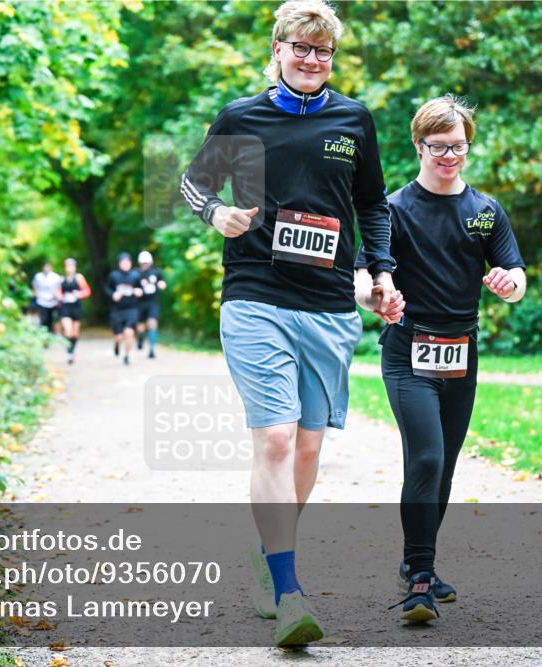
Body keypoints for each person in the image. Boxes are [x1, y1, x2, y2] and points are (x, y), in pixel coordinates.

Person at [180, 0, 402, 647]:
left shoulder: (353, 119)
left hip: (330, 305)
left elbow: (371, 206)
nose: (311, 59)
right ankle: (288, 593)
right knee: (275, 440)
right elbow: (194, 184)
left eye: (322, 51)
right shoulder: (241, 117)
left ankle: (268, 552)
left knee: (307, 447)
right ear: (277, 49)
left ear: (332, 58)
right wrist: (216, 215)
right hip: (255, 294)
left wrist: (381, 273)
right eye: (299, 48)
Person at [354, 95, 526, 622]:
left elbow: (517, 277)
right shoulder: (394, 210)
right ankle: (420, 580)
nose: (449, 156)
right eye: (438, 147)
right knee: (426, 457)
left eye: (459, 147)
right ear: (418, 145)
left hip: (461, 355)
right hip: (408, 352)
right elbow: (362, 274)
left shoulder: (485, 212)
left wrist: (507, 284)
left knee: (443, 468)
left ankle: (416, 563)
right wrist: (375, 297)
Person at [105, 252, 143, 366]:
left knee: (129, 332)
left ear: (131, 263)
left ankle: (127, 355)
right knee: (119, 336)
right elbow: (106, 289)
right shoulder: (114, 276)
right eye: (123, 263)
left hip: (131, 309)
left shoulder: (135, 275)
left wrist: (139, 291)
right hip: (117, 310)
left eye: (127, 263)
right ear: (119, 264)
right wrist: (113, 295)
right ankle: (117, 344)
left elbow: (141, 289)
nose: (125, 265)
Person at [57, 258, 91, 364]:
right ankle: (69, 352)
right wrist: (61, 297)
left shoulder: (79, 278)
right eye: (67, 266)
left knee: (75, 333)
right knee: (68, 330)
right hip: (66, 307)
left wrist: (79, 294)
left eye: (71, 266)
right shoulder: (62, 279)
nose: (69, 268)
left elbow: (87, 291)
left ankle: (72, 350)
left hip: (76, 306)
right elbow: (58, 292)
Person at [135, 250, 167, 359]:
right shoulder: (136, 273)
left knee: (153, 323)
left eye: (146, 263)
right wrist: (136, 290)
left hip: (153, 302)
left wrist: (162, 284)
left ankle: (152, 349)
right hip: (140, 303)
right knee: (141, 327)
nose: (144, 265)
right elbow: (132, 285)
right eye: (143, 263)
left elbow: (162, 282)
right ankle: (140, 337)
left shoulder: (156, 272)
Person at [31, 262, 62, 335]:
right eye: (45, 267)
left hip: (53, 302)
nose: (46, 269)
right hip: (41, 302)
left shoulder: (55, 277)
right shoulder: (38, 276)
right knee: (43, 319)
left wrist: (59, 298)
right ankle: (44, 335)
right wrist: (36, 295)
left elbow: (60, 288)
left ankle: (52, 333)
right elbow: (34, 286)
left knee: (52, 319)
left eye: (48, 267)